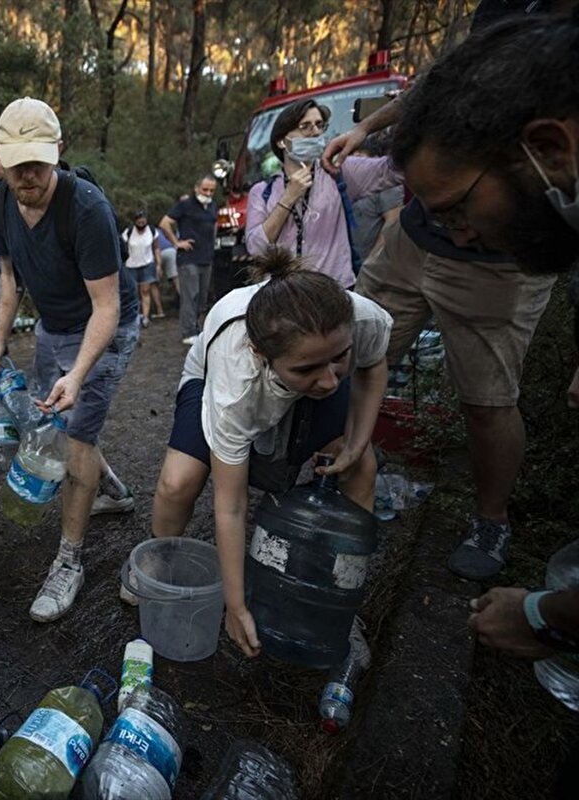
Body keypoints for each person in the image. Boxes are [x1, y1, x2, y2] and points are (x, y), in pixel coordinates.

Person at [326, 11, 578, 579]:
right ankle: (333, 467)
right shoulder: (501, 19)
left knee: (486, 402)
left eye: (459, 208)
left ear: (547, 148)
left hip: (496, 276)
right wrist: (367, 129)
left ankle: (491, 522)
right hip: (408, 248)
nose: (457, 229)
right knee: (345, 360)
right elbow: (436, 85)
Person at [149, 247, 390, 655]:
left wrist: (356, 442)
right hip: (217, 375)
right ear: (261, 355)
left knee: (361, 469)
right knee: (178, 481)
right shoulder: (236, 381)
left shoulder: (359, 318)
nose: (330, 381)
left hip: (300, 364)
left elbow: (372, 365)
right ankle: (156, 565)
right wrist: (235, 605)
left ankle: (339, 600)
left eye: (339, 358)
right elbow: (231, 505)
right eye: (308, 369)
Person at [0, 97, 140, 622]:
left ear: (59, 151)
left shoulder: (86, 209)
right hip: (53, 324)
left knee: (75, 438)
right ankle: (112, 491)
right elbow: (9, 276)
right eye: (17, 163)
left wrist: (78, 373)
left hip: (105, 328)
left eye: (39, 162)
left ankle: (69, 560)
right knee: (51, 419)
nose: (28, 175)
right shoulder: (0, 203)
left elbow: (107, 307)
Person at [246, 99, 402, 290]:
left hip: (334, 291)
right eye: (305, 126)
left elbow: (395, 171)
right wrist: (287, 199)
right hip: (284, 294)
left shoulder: (338, 171)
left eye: (319, 125)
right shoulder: (263, 192)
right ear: (281, 141)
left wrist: (385, 120)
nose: (315, 132)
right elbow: (256, 249)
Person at [160, 176, 219, 344]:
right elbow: (164, 223)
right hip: (188, 258)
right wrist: (176, 242)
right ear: (197, 188)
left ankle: (196, 327)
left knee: (202, 298)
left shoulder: (212, 206)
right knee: (190, 295)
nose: (208, 193)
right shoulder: (185, 205)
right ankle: (188, 332)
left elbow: (214, 225)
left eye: (211, 190)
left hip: (206, 257)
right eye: (205, 189)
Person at [121, 210, 163, 327]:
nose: (141, 223)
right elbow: (123, 248)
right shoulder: (129, 232)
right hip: (131, 265)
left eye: (143, 221)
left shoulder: (152, 231)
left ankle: (145, 317)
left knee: (145, 291)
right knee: (133, 292)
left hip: (147, 264)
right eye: (139, 221)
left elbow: (156, 248)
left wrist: (159, 264)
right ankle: (134, 316)